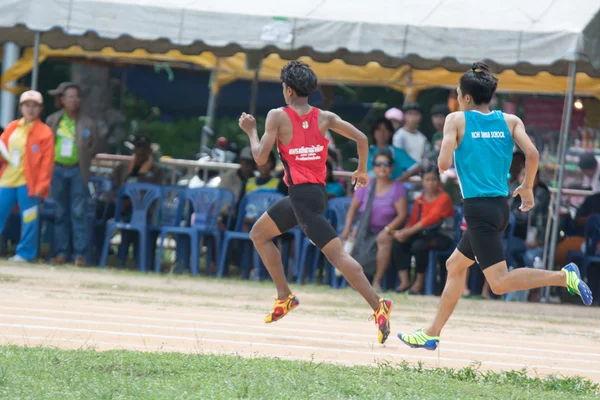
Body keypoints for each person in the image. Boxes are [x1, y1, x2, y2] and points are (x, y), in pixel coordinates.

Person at [398, 62, 593, 351]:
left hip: (478, 211)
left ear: (465, 97)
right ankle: (432, 331)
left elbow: (441, 165)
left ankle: (564, 276)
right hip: (500, 208)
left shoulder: (456, 120)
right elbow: (533, 153)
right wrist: (526, 188)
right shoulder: (510, 121)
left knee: (499, 282)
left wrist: (452, 151)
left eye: (456, 93)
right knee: (454, 265)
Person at [238, 61, 393, 344]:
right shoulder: (325, 117)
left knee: (338, 257)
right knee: (259, 234)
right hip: (310, 196)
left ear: (287, 90)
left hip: (304, 201)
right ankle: (284, 295)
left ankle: (378, 304)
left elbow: (260, 157)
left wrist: (250, 130)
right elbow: (361, 138)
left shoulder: (277, 116)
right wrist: (360, 170)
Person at [46, 82, 98, 266]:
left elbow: (94, 146)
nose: (73, 100)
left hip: (78, 170)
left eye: (76, 97)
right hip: (58, 169)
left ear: (81, 100)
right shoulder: (53, 120)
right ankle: (61, 253)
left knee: (78, 212)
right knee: (60, 212)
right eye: (69, 97)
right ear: (62, 100)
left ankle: (80, 255)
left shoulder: (88, 123)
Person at [0, 91, 54, 262]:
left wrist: (42, 186)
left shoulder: (45, 132)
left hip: (29, 184)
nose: (30, 109)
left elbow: (47, 163)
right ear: (21, 107)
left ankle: (25, 253)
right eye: (27, 105)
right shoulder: (11, 127)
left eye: (34, 106)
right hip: (7, 180)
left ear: (40, 109)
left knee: (29, 219)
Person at [341, 151, 408, 290]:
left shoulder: (397, 188)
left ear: (392, 167)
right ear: (373, 167)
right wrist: (347, 229)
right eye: (379, 164)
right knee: (350, 239)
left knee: (384, 239)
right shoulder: (365, 185)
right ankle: (355, 282)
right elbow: (352, 209)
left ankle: (377, 281)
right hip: (364, 228)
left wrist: (388, 229)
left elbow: (402, 215)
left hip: (386, 230)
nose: (382, 167)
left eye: (386, 164)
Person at [394, 167, 455, 294]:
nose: (430, 183)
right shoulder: (419, 199)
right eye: (427, 180)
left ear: (439, 181)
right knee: (399, 243)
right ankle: (404, 281)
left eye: (433, 180)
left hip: (442, 235)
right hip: (423, 233)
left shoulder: (444, 198)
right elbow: (413, 220)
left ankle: (419, 282)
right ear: (422, 182)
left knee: (419, 246)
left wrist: (408, 232)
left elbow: (431, 219)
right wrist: (403, 233)